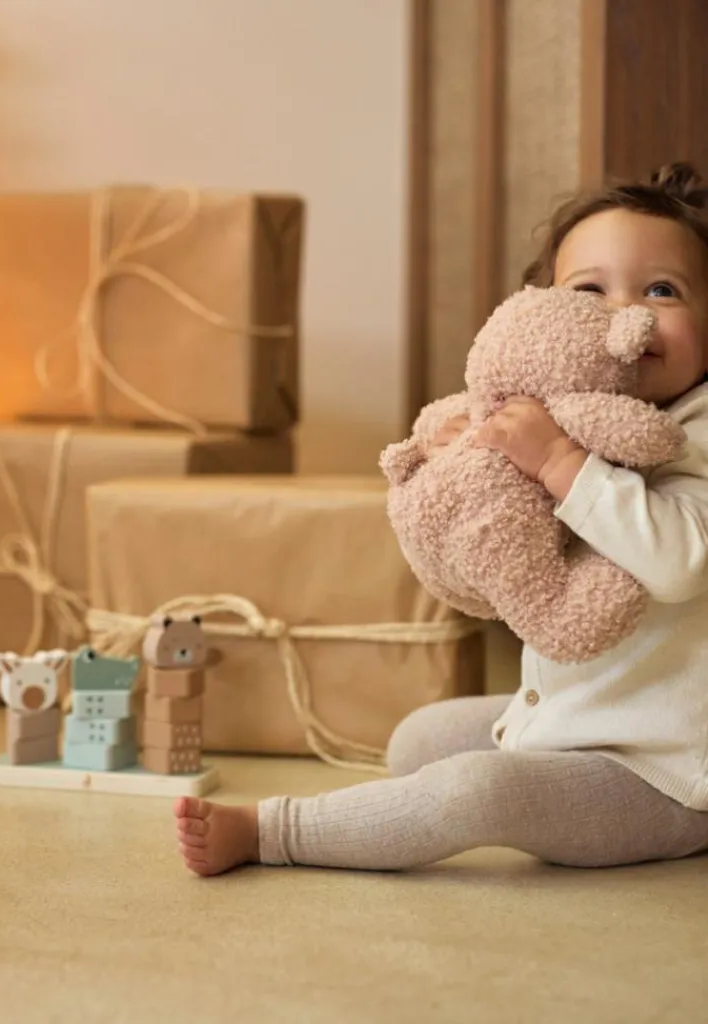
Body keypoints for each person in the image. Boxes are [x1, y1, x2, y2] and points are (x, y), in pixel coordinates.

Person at [174, 162, 708, 876]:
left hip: (663, 773)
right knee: (417, 739)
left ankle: (274, 832)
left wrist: (557, 463)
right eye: (589, 290)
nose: (624, 314)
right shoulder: (564, 417)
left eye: (661, 290)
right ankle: (448, 787)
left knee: (471, 792)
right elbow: (521, 571)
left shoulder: (695, 432)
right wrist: (473, 464)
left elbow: (680, 562)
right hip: (577, 719)